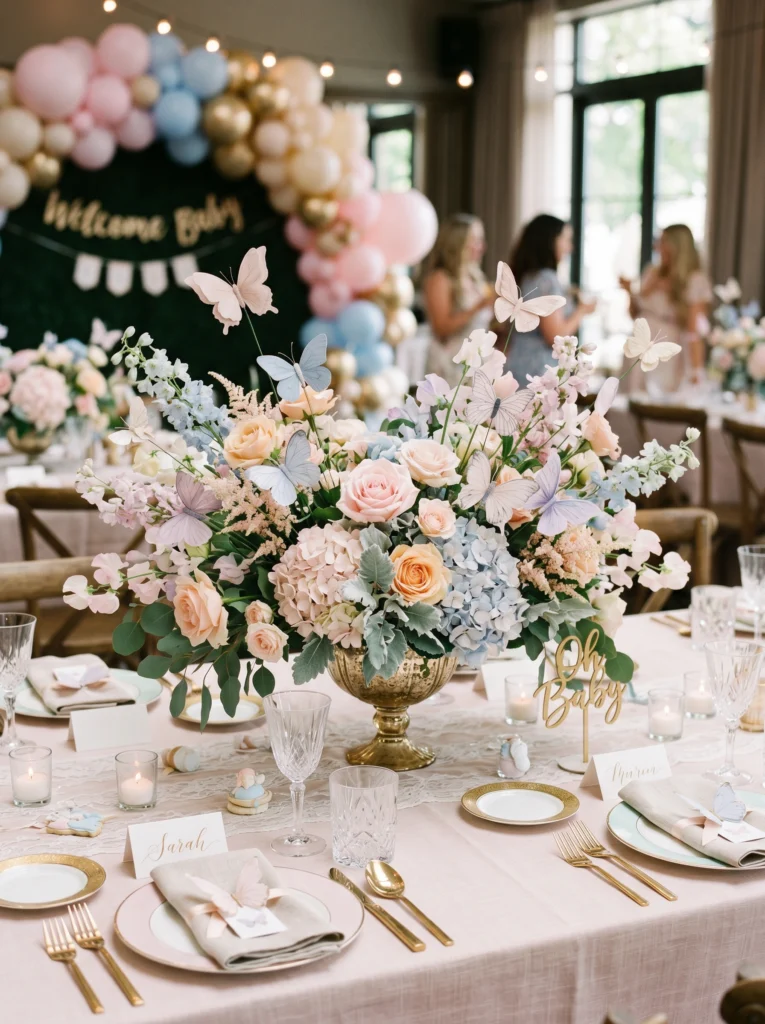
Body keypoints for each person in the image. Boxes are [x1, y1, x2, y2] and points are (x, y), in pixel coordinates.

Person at [503, 214, 596, 383]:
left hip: (517, 362)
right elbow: (555, 336)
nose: (570, 247)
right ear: (551, 241)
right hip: (538, 370)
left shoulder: (526, 276)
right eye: (566, 240)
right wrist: (582, 310)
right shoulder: (547, 279)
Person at [619, 223, 712, 392]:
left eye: (663, 242)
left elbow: (694, 329)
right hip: (639, 340)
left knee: (657, 396)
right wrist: (629, 292)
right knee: (631, 391)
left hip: (665, 344)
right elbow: (635, 314)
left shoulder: (694, 280)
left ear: (678, 246)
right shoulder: (652, 272)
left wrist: (696, 369)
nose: (658, 247)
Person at [421, 213, 494, 386]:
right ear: (457, 243)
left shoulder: (475, 277)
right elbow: (442, 328)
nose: (482, 247)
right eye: (474, 240)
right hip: (450, 365)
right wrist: (480, 306)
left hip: (477, 361)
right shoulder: (440, 278)